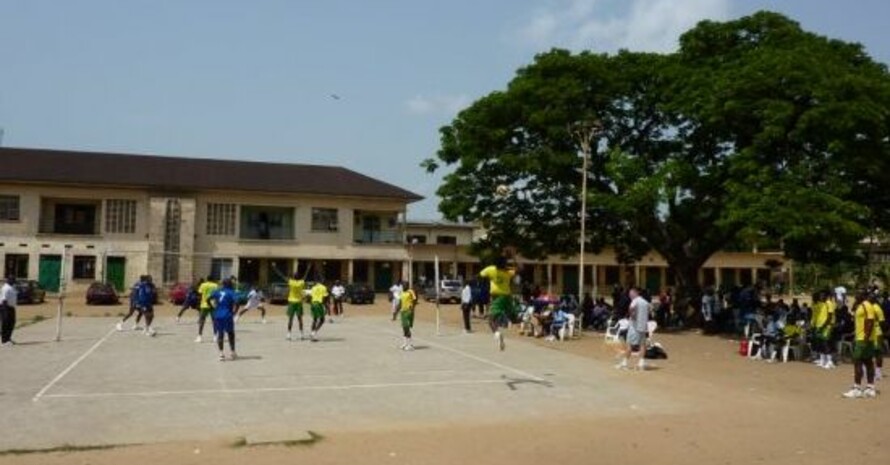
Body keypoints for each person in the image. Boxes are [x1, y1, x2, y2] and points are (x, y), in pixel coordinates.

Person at [479, 252, 519, 351]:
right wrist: (513, 257)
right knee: (513, 318)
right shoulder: (508, 273)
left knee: (491, 320)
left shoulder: (491, 269)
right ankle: (513, 319)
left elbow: (480, 275)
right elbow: (519, 269)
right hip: (508, 297)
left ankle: (497, 333)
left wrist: (488, 279)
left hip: (498, 298)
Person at [842, 293, 877, 398]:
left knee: (857, 362)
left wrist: (866, 338)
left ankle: (857, 388)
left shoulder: (867, 305)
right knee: (867, 362)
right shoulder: (861, 305)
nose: (856, 295)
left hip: (864, 339)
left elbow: (870, 321)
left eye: (859, 293)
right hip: (861, 337)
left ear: (864, 295)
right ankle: (870, 388)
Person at [617, 287, 651, 370]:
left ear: (635, 293)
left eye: (631, 294)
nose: (630, 295)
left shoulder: (635, 300)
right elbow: (650, 309)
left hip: (634, 326)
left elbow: (631, 308)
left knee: (629, 344)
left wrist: (632, 316)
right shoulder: (645, 302)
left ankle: (624, 363)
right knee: (642, 345)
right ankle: (641, 363)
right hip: (643, 327)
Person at [208, 278, 238, 361]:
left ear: (223, 284)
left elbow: (208, 299)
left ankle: (221, 354)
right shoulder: (231, 292)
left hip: (218, 315)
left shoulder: (217, 291)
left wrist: (212, 307)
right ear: (229, 284)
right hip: (228, 315)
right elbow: (237, 302)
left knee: (220, 334)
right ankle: (232, 352)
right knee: (230, 333)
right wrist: (234, 312)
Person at [811, 291, 837, 369]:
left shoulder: (829, 303)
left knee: (825, 342)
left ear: (826, 296)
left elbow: (829, 316)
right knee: (821, 342)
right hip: (820, 325)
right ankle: (823, 360)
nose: (821, 297)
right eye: (820, 296)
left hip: (827, 326)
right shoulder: (822, 304)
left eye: (822, 296)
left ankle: (830, 361)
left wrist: (823, 326)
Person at [196, 278, 219, 343]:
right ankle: (215, 336)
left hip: (204, 305)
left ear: (207, 279)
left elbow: (200, 294)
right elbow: (217, 295)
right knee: (214, 321)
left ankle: (199, 337)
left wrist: (199, 303)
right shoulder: (215, 285)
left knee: (202, 321)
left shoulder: (203, 285)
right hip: (213, 305)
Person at [868, 293, 885, 381]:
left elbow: (882, 322)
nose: (868, 299)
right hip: (870, 332)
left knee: (877, 352)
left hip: (877, 332)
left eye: (870, 297)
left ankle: (878, 373)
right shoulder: (869, 307)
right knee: (871, 352)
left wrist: (881, 333)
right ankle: (871, 371)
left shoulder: (877, 308)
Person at [399, 282, 418, 350]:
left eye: (405, 285)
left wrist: (412, 309)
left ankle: (410, 345)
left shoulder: (410, 292)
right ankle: (405, 343)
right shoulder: (401, 293)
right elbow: (400, 302)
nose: (404, 286)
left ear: (407, 286)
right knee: (404, 327)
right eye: (403, 285)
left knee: (407, 327)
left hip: (408, 311)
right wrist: (396, 312)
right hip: (403, 311)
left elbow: (415, 300)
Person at [0, 277, 18, 346]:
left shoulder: (11, 287)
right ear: (9, 280)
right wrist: (5, 311)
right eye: (13, 280)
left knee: (12, 322)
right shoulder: (6, 288)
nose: (14, 281)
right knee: (6, 323)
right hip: (5, 307)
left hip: (11, 307)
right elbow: (4, 299)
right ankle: (4, 341)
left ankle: (8, 338)